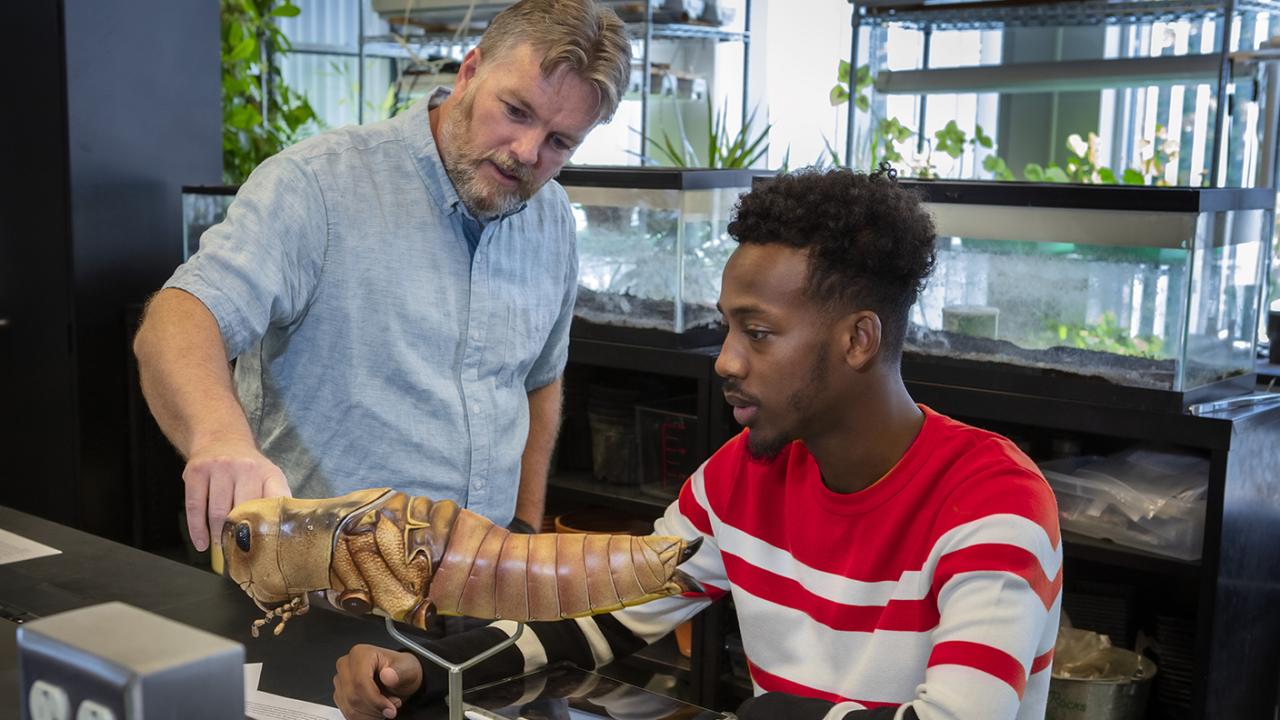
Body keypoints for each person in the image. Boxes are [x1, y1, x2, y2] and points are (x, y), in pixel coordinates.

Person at [331, 166, 1063, 720]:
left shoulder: (993, 503)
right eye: (729, 327)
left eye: (760, 333)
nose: (726, 360)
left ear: (858, 339)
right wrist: (428, 669)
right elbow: (604, 616)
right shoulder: (738, 479)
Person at [132, 0, 632, 553]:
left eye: (560, 142)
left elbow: (539, 378)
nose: (526, 152)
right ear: (469, 72)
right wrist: (220, 439)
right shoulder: (317, 185)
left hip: (479, 590)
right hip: (313, 588)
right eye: (516, 111)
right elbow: (179, 316)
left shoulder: (552, 219)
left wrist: (524, 532)